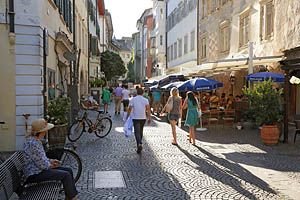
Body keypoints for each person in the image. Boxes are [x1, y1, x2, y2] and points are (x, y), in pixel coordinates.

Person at [23, 119, 78, 200]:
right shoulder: (33, 144)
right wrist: (52, 165)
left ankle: (70, 197)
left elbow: (40, 159)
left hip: (38, 170)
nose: (46, 132)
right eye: (45, 130)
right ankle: (73, 198)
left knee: (68, 170)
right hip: (34, 174)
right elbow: (43, 165)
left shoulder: (35, 141)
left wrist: (51, 161)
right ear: (41, 132)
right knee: (65, 175)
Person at [126, 88, 151, 153]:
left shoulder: (133, 99)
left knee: (137, 131)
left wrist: (127, 116)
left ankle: (139, 143)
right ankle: (139, 144)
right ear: (143, 93)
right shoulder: (145, 100)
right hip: (143, 117)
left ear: (137, 92)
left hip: (135, 117)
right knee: (141, 131)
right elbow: (148, 109)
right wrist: (150, 118)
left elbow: (130, 109)